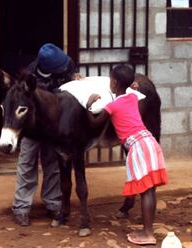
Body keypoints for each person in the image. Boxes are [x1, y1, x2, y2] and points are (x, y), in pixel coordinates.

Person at [85, 65, 168, 245]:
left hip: (137, 147)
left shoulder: (112, 106)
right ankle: (148, 229)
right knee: (150, 190)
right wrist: (132, 86)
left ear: (114, 83)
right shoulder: (132, 96)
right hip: (149, 142)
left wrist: (88, 105)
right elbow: (132, 89)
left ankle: (147, 233)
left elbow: (94, 124)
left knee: (145, 191)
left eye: (110, 80)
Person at [13, 43, 78, 226]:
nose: (66, 68)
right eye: (62, 68)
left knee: (53, 163)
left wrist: (76, 79)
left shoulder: (66, 65)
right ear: (48, 68)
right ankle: (21, 207)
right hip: (32, 127)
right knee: (27, 163)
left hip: (53, 125)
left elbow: (72, 80)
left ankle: (53, 203)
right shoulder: (28, 78)